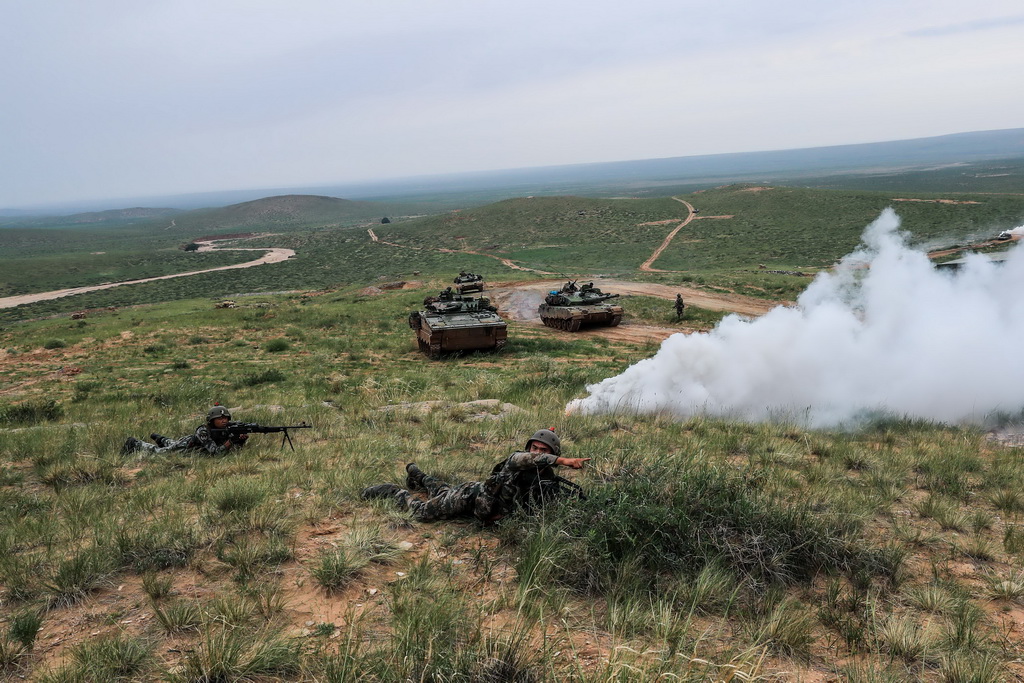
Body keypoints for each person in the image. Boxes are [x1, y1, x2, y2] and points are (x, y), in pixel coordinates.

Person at [361, 429, 588, 523]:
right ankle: (393, 491)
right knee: (422, 513)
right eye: (534, 448)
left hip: (481, 505)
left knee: (441, 491)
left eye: (543, 450)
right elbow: (525, 459)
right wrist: (564, 461)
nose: (537, 453)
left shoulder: (546, 477)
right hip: (469, 497)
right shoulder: (517, 461)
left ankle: (417, 474)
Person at [121, 405, 248, 456]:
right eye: (219, 418)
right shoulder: (203, 431)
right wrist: (231, 441)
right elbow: (215, 453)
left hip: (191, 446)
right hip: (186, 447)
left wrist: (239, 441)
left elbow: (231, 449)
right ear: (212, 420)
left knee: (171, 443)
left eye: (225, 418)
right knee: (161, 453)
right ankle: (135, 443)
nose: (224, 420)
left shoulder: (227, 429)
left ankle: (161, 439)